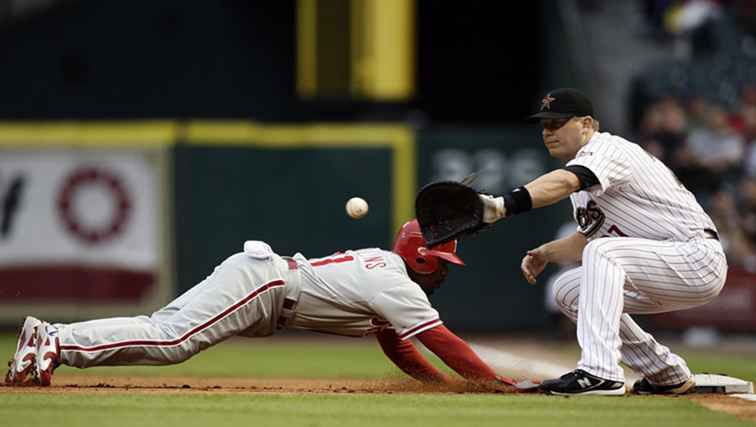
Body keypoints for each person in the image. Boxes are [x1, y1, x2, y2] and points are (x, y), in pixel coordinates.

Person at [6, 219, 513, 389]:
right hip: (267, 286)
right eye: (444, 263)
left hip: (262, 282)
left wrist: (445, 388)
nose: (445, 273)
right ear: (422, 259)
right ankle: (54, 339)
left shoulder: (386, 274)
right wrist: (491, 387)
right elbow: (439, 339)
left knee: (163, 330)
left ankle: (50, 341)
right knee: (173, 341)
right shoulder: (397, 284)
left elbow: (399, 349)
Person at [477, 88, 727, 396]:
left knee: (603, 253)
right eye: (544, 125)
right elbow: (590, 238)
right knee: (567, 290)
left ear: (586, 124)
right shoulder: (582, 186)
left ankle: (600, 372)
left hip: (696, 257)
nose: (548, 131)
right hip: (660, 265)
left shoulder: (609, 149)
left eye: (557, 123)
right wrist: (545, 252)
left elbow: (566, 182)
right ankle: (664, 372)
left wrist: (503, 205)